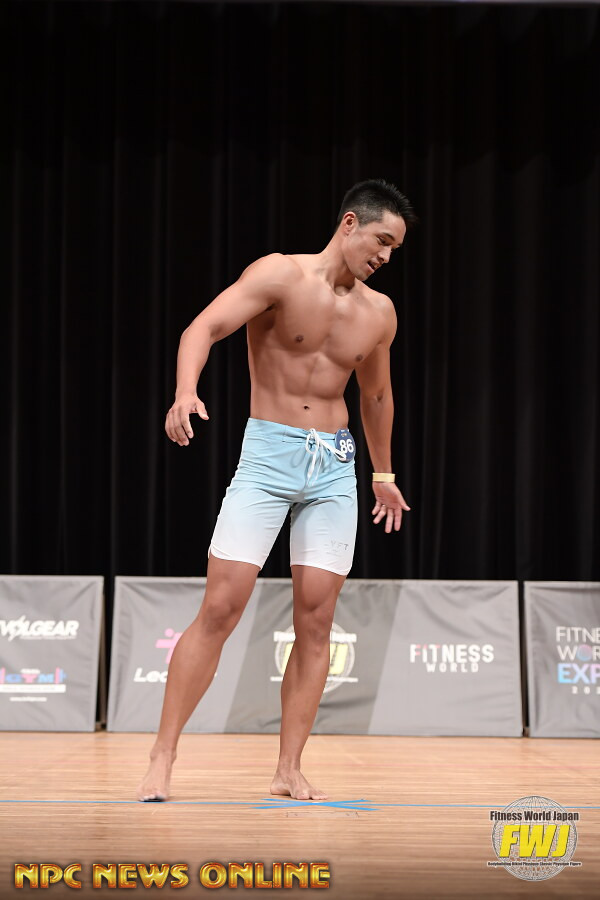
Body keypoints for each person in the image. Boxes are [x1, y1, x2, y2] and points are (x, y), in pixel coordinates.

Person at [137, 178, 417, 802]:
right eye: (381, 241)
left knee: (317, 619)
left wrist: (384, 475)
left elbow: (375, 395)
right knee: (221, 607)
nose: (385, 256)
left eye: (394, 249)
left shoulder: (379, 313)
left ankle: (289, 768)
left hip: (334, 467)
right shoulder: (279, 275)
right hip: (268, 456)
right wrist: (185, 392)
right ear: (350, 223)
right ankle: (163, 755)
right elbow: (203, 328)